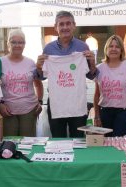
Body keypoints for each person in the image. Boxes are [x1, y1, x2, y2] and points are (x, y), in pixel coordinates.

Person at [35, 10, 98, 138]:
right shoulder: (48, 49)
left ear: (74, 25)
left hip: (77, 104)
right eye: (61, 24)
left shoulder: (82, 47)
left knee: (79, 140)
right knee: (58, 141)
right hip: (56, 104)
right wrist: (39, 66)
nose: (65, 27)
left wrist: (92, 63)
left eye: (68, 23)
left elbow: (91, 75)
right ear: (56, 27)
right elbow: (42, 76)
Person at [93, 35, 126, 136]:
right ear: (106, 49)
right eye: (111, 46)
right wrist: (96, 116)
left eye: (117, 46)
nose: (114, 49)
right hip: (104, 111)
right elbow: (97, 94)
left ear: (121, 50)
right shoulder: (99, 68)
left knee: (120, 143)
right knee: (106, 144)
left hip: (124, 112)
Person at [0, 29, 43, 136]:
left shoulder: (31, 63)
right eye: (13, 42)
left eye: (21, 42)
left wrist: (40, 101)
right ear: (8, 43)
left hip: (29, 109)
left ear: (24, 45)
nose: (17, 45)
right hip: (8, 110)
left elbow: (38, 84)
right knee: (9, 143)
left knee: (28, 143)